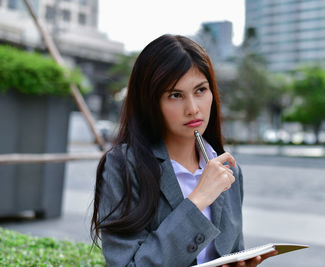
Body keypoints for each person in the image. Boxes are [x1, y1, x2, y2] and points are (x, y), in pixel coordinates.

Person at [91, 34, 277, 267]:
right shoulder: (125, 165)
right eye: (175, 95)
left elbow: (232, 252)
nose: (192, 109)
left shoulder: (228, 170)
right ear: (150, 102)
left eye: (200, 90)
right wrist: (199, 198)